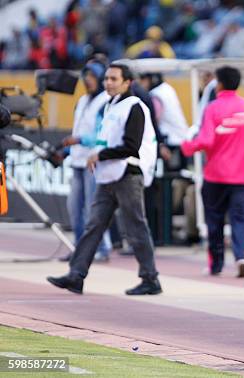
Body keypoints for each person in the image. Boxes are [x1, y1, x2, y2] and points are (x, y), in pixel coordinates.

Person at [47, 64, 161, 296]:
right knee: (93, 225)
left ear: (127, 82)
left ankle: (150, 279)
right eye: (106, 79)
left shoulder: (134, 106)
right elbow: (104, 140)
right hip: (108, 174)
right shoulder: (111, 105)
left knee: (136, 228)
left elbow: (131, 146)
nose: (107, 83)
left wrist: (100, 155)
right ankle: (76, 275)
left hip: (128, 173)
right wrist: (98, 155)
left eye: (113, 79)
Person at [181, 66, 244, 278]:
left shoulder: (212, 108)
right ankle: (241, 256)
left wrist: (187, 146)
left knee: (214, 220)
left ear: (219, 84)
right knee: (240, 220)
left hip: (216, 175)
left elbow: (206, 140)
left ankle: (216, 265)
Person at [62, 59, 113, 262]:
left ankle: (102, 247)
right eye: (86, 77)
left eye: (92, 77)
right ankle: (80, 248)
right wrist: (68, 150)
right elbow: (78, 128)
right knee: (74, 208)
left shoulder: (104, 102)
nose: (88, 81)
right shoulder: (82, 101)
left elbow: (101, 133)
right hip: (77, 160)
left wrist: (80, 140)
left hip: (93, 162)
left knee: (93, 207)